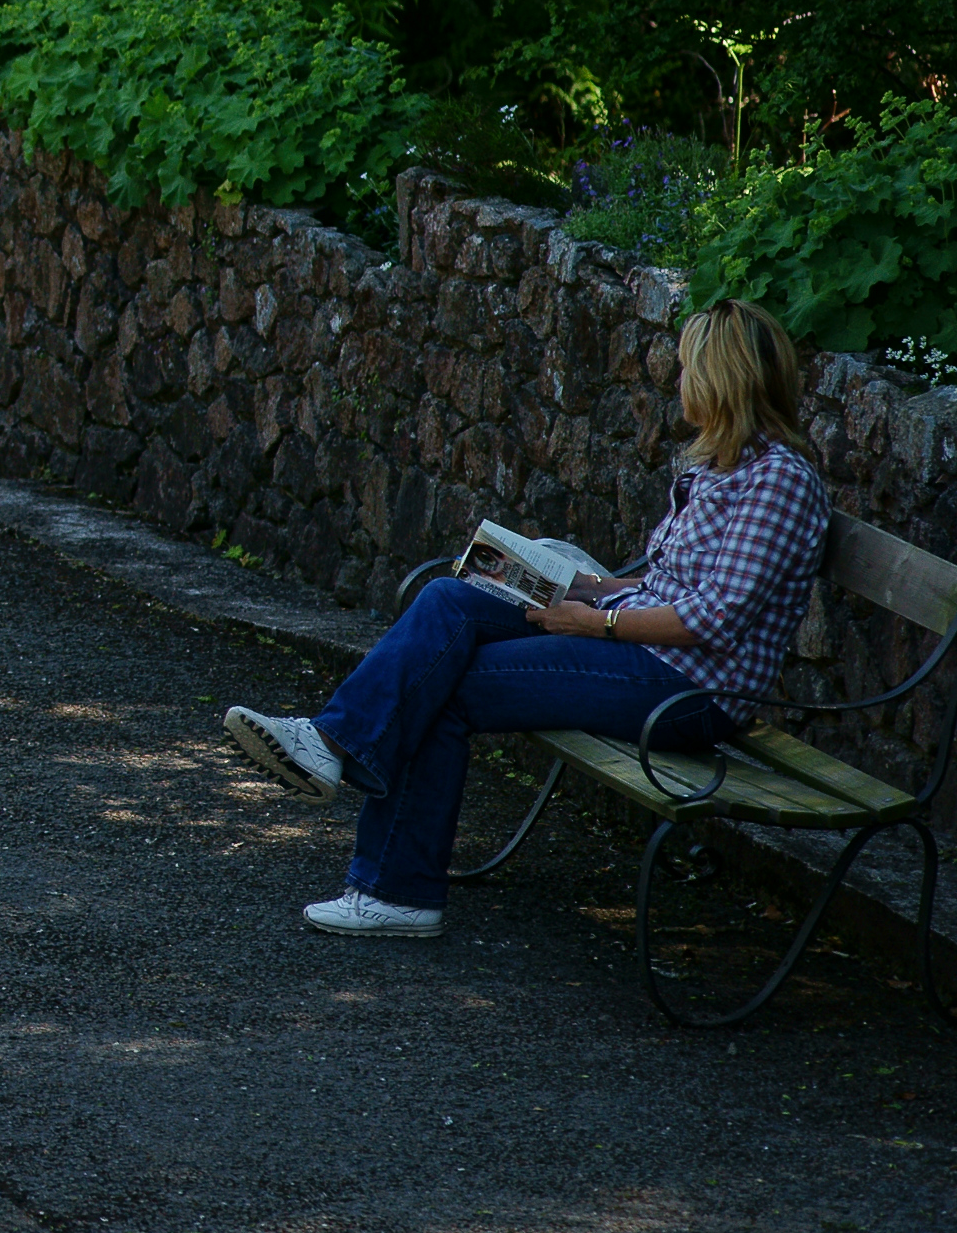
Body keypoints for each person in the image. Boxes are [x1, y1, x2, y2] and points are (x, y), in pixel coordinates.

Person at [224, 300, 831, 938]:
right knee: (449, 600)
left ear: (719, 379)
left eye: (686, 369)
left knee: (446, 682)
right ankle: (330, 747)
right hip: (639, 648)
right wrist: (586, 586)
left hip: (687, 689)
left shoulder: (777, 482)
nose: (678, 382)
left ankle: (394, 888)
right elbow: (670, 584)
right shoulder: (717, 469)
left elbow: (713, 619)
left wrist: (591, 623)